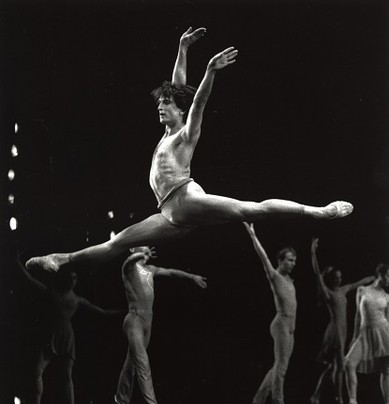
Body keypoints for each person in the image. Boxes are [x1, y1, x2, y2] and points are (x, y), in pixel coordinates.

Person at [26, 27, 353, 274]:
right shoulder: (168, 132)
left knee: (248, 209)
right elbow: (178, 87)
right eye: (159, 103)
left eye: (166, 104)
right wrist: (182, 48)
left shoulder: (185, 133)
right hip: (170, 213)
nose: (161, 106)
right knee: (118, 242)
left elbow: (196, 101)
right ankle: (62, 259)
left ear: (179, 110)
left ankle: (318, 212)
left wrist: (210, 72)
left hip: (187, 200)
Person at [17, 256, 122, 404]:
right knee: (36, 371)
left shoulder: (77, 300)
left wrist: (123, 312)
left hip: (66, 335)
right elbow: (29, 280)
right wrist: (17, 262)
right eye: (70, 277)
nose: (73, 281)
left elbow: (101, 312)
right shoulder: (52, 293)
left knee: (66, 375)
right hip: (51, 333)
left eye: (75, 278)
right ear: (64, 279)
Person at [113, 246, 207, 404]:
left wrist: (191, 277)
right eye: (144, 246)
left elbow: (171, 272)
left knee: (131, 365)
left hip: (148, 322)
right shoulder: (129, 268)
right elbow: (129, 261)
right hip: (134, 320)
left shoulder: (151, 270)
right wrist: (141, 254)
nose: (148, 249)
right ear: (134, 249)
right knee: (142, 363)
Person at [309, 237, 374, 404]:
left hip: (342, 331)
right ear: (330, 279)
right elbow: (316, 274)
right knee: (338, 366)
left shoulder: (343, 289)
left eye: (340, 278)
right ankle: (339, 400)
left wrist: (374, 278)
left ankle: (315, 396)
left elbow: (358, 283)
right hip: (335, 331)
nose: (339, 280)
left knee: (333, 367)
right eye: (336, 278)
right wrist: (313, 253)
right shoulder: (328, 292)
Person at [243, 222, 297, 404]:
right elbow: (263, 257)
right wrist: (253, 236)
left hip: (291, 326)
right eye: (290, 260)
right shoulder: (275, 276)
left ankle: (258, 400)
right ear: (281, 260)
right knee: (281, 367)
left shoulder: (291, 281)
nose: (293, 264)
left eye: (294, 261)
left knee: (278, 366)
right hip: (281, 324)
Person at [338, 263, 389, 404]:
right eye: (388, 276)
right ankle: (353, 403)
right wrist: (354, 338)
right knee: (348, 362)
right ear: (380, 274)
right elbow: (357, 317)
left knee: (386, 370)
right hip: (364, 333)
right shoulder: (362, 290)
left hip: (383, 333)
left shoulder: (387, 296)